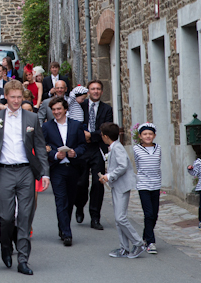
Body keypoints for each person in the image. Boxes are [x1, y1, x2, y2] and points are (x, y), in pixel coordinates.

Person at [0, 81, 49, 275]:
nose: (16, 101)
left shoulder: (32, 118)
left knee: (25, 217)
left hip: (26, 172)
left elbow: (40, 146)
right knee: (6, 217)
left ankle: (23, 260)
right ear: (6, 96)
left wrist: (45, 173)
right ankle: (5, 245)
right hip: (5, 171)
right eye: (12, 97)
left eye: (19, 97)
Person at [97, 123, 147, 258]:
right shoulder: (114, 147)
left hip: (122, 186)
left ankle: (138, 243)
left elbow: (123, 165)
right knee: (119, 218)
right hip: (117, 186)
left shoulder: (117, 148)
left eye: (102, 135)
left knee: (120, 217)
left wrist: (109, 176)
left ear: (106, 136)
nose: (101, 137)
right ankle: (124, 247)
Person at [43, 97, 86, 246]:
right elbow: (43, 147)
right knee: (61, 200)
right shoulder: (47, 127)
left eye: (59, 109)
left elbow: (82, 145)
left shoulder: (76, 125)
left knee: (70, 200)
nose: (56, 112)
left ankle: (63, 226)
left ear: (65, 109)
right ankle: (67, 234)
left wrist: (76, 153)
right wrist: (55, 154)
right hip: (57, 169)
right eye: (53, 110)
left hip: (73, 168)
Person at [76, 80, 114, 230]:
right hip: (82, 148)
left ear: (102, 92)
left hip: (97, 148)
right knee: (81, 183)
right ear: (88, 92)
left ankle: (95, 217)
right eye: (93, 89)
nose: (96, 91)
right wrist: (82, 135)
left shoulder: (107, 109)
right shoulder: (80, 106)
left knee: (98, 183)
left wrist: (91, 135)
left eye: (98, 89)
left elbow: (107, 128)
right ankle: (79, 206)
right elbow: (73, 123)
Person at [133, 123, 162, 254]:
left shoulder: (158, 148)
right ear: (140, 136)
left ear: (154, 135)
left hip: (156, 184)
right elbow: (138, 165)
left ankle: (146, 235)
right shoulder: (136, 149)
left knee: (154, 214)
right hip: (143, 184)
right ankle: (151, 242)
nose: (148, 136)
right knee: (148, 213)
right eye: (145, 134)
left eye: (150, 134)